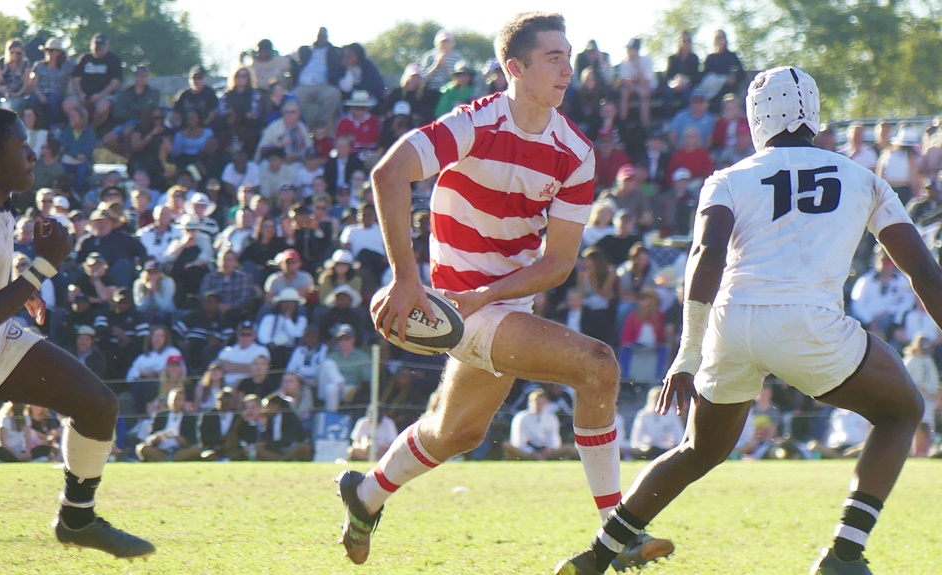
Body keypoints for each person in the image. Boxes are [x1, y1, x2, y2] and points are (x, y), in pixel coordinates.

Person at [557, 66, 936, 575]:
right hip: (810, 323)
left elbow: (705, 257)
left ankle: (598, 555)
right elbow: (921, 269)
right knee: (901, 411)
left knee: (699, 450)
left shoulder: (729, 177)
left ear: (759, 117)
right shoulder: (863, 177)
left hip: (732, 323)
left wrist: (688, 351)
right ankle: (844, 554)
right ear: (814, 116)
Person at [336, 13, 671, 570]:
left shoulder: (577, 152)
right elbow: (388, 175)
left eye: (570, 56)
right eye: (554, 58)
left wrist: (484, 297)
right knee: (598, 365)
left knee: (457, 432)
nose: (569, 68)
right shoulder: (473, 123)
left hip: (493, 307)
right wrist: (406, 279)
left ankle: (364, 494)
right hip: (454, 307)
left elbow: (560, 263)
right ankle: (619, 533)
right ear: (514, 68)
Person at [0, 106, 153, 556]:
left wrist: (14, 281)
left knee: (97, 403)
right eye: (21, 147)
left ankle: (77, 520)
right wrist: (44, 266)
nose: (32, 155)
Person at [502, 389, 578, 460]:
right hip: (527, 451)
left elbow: (554, 438)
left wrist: (550, 449)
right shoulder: (521, 417)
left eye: (541, 403)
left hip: (546, 451)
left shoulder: (551, 417)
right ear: (530, 403)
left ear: (547, 403)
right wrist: (533, 453)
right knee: (507, 446)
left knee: (570, 448)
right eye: (536, 403)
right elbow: (518, 442)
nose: (539, 406)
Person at [71, 34, 122, 130]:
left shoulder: (113, 60)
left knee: (103, 108)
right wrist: (80, 94)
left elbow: (115, 82)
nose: (98, 50)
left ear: (107, 46)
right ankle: (77, 129)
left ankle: (90, 130)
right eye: (96, 47)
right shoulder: (85, 59)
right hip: (83, 95)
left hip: (103, 95)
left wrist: (100, 95)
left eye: (101, 48)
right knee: (68, 105)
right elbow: (76, 79)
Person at [27, 38, 75, 128]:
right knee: (31, 100)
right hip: (41, 93)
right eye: (47, 50)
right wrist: (40, 94)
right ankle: (31, 126)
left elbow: (76, 72)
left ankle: (54, 126)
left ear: (59, 52)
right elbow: (34, 83)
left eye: (52, 51)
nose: (49, 53)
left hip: (57, 94)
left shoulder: (66, 66)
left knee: (53, 100)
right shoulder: (39, 65)